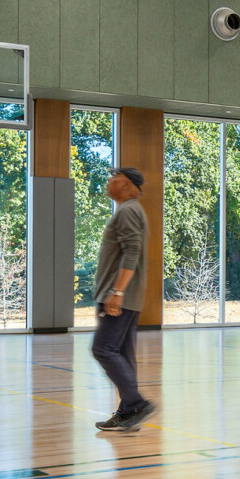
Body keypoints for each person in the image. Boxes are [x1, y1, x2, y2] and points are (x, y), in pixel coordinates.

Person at [91, 166, 156, 432]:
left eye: (113, 179)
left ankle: (136, 403)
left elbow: (132, 252)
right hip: (126, 297)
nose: (109, 182)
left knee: (103, 349)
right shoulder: (130, 211)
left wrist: (116, 292)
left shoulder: (128, 210)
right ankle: (129, 412)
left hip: (120, 297)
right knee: (123, 354)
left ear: (127, 185)